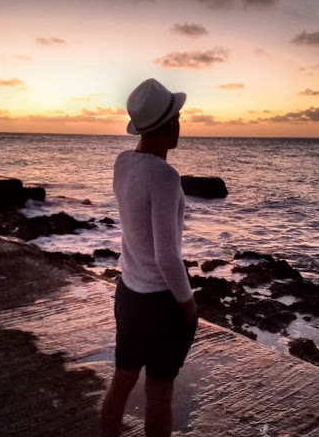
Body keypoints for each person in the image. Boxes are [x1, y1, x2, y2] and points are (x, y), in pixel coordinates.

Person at [101, 78, 198, 437]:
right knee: (159, 394)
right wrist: (188, 304)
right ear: (169, 124)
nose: (179, 125)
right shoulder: (165, 176)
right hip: (160, 305)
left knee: (122, 380)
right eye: (177, 118)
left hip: (128, 293)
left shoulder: (123, 163)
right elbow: (167, 257)